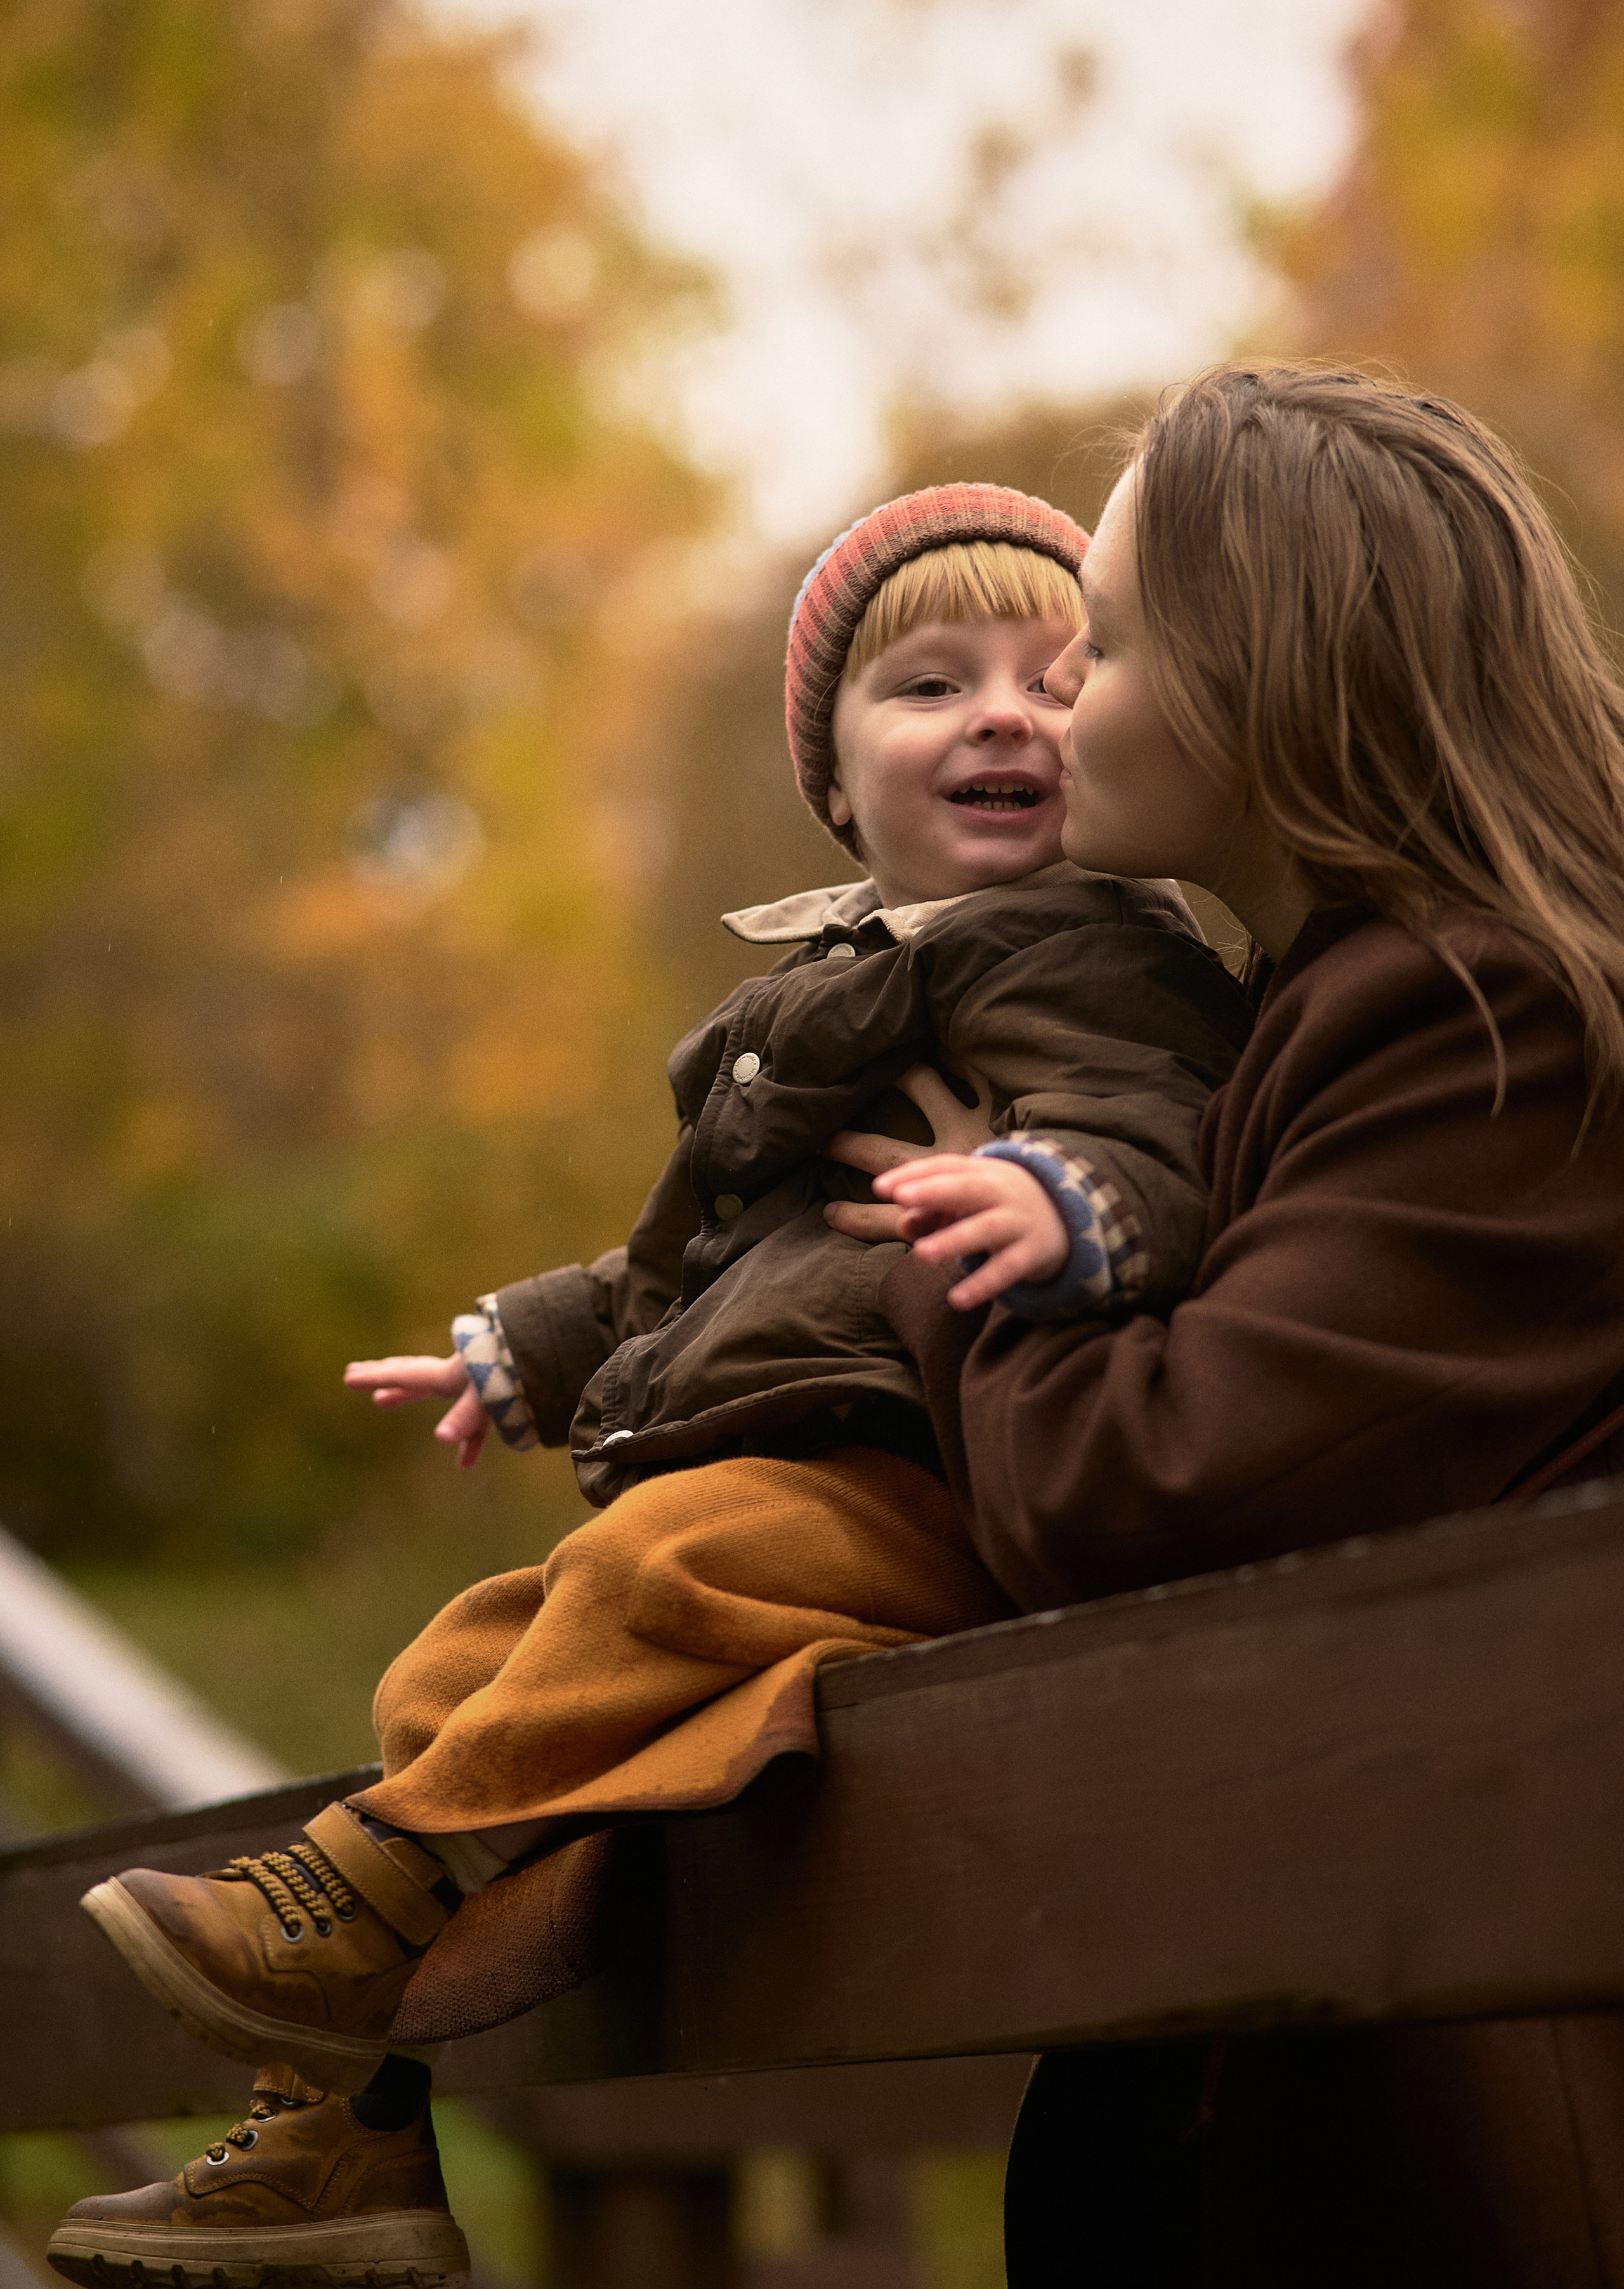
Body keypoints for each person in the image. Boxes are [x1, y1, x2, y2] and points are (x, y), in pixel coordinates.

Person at [49, 482, 1254, 2289]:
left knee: (654, 1575)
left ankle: (355, 1903)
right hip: (769, 1473)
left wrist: (1058, 1197)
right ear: (838, 784)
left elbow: (1158, 1131)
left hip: (927, 1477)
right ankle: (337, 2142)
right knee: (448, 1666)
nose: (1007, 709)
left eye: (1056, 673)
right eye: (932, 684)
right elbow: (673, 1268)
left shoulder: (1102, 950)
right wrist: (526, 1346)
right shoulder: (815, 1004)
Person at [837, 366, 1624, 2286]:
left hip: (1454, 2124)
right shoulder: (1332, 1005)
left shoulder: (1477, 1023)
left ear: (1263, 678)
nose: (1054, 700)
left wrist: (966, 1232)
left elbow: (1153, 1486)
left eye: (1100, 645)